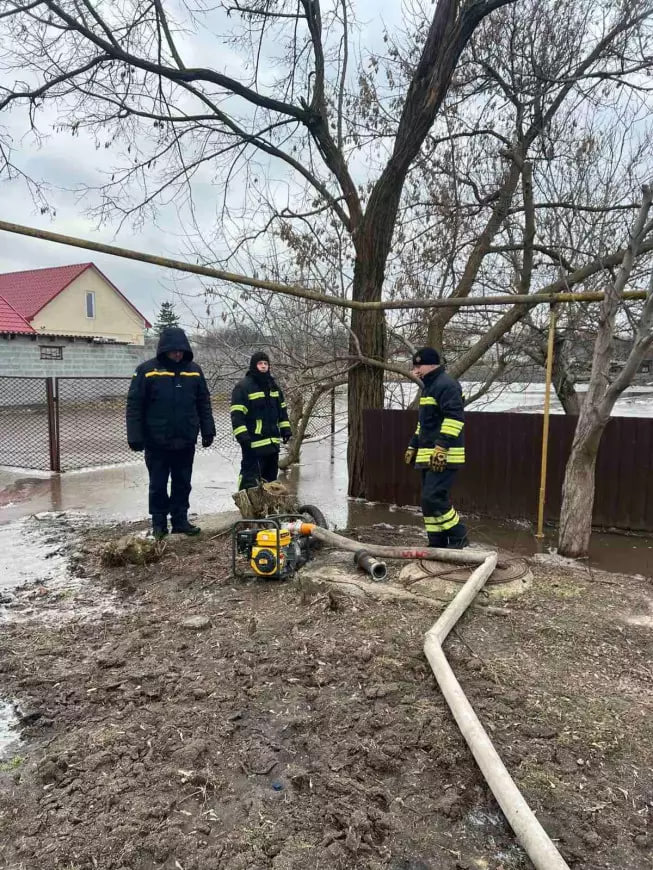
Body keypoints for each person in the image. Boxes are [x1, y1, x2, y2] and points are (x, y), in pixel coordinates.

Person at [126, 326, 216, 539]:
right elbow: (134, 406)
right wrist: (135, 436)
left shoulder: (194, 371)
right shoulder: (147, 371)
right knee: (158, 484)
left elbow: (203, 402)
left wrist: (208, 429)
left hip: (185, 439)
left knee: (182, 482)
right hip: (157, 441)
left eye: (181, 350)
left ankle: (180, 520)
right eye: (173, 350)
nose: (178, 354)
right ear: (164, 349)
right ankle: (159, 524)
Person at [405, 347, 468, 548]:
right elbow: (424, 423)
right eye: (414, 367)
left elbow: (455, 418)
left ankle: (459, 537)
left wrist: (441, 447)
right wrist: (413, 445)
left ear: (432, 364)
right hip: (428, 454)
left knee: (434, 497)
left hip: (445, 454)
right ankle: (437, 542)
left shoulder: (447, 385)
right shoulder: (429, 387)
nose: (415, 371)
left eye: (419, 366)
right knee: (427, 502)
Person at [230, 351, 292, 490]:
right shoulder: (243, 387)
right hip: (253, 443)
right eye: (260, 363)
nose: (263, 366)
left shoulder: (273, 386)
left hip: (272, 443)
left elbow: (282, 410)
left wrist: (285, 429)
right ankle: (247, 506)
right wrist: (243, 437)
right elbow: (237, 415)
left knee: (271, 482)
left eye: (266, 363)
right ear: (253, 365)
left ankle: (268, 509)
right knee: (250, 479)